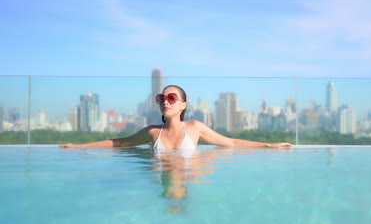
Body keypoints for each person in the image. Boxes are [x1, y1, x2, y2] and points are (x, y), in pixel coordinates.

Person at [60, 85, 293, 150]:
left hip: (186, 180)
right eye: (162, 97)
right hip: (158, 187)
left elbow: (231, 142)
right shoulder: (153, 132)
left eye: (172, 98)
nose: (166, 102)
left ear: (183, 104)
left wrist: (269, 145)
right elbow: (118, 143)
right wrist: (78, 146)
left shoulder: (195, 128)